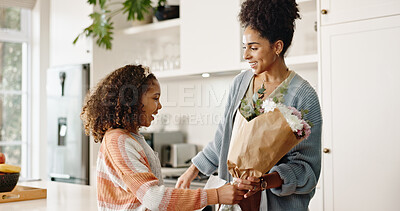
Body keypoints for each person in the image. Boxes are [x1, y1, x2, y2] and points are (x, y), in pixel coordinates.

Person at [176, 0, 323, 210]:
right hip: (235, 203)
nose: (246, 55)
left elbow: (306, 170)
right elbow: (224, 138)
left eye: (253, 48)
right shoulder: (241, 83)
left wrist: (263, 181)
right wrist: (192, 170)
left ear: (277, 47)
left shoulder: (303, 95)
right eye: (245, 47)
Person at [80, 64, 246, 211]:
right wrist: (215, 194)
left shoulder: (130, 137)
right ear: (133, 99)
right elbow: (154, 199)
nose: (159, 106)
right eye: (155, 98)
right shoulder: (118, 142)